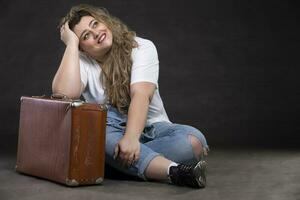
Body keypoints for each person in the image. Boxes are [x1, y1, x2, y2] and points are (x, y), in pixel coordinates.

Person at [52, 4, 209, 189]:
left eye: (95, 24)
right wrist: (71, 44)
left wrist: (132, 138)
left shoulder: (141, 46)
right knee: (97, 129)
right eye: (85, 36)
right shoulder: (82, 61)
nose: (95, 33)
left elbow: (141, 95)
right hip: (109, 131)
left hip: (152, 128)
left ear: (105, 21)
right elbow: (64, 94)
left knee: (195, 141)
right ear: (82, 48)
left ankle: (112, 163)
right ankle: (175, 172)